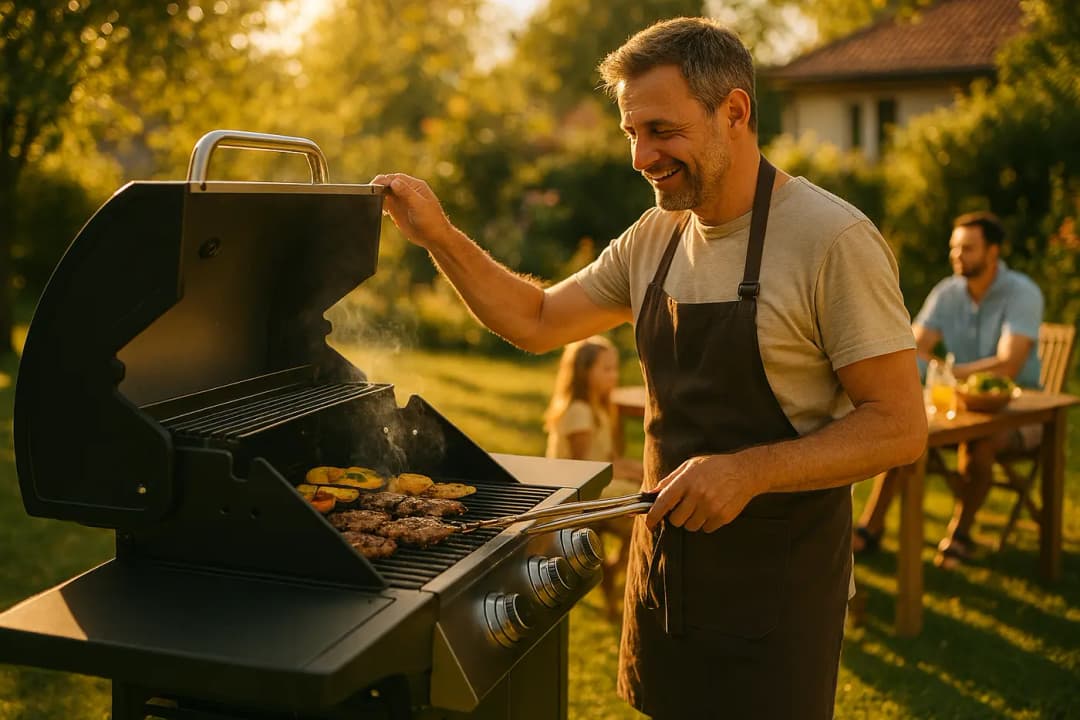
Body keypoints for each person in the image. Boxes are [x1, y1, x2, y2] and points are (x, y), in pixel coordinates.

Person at [373, 17, 926, 720]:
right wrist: (441, 238)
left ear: (734, 111)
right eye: (631, 132)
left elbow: (899, 428)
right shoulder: (655, 236)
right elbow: (538, 321)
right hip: (664, 570)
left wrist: (749, 471)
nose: (641, 156)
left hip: (777, 590)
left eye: (660, 131)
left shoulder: (831, 240)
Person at [853, 211, 1043, 568]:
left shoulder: (1022, 293)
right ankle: (870, 528)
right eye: (955, 248)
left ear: (993, 252)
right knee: (901, 430)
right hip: (960, 407)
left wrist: (945, 370)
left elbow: (1009, 365)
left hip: (1021, 410)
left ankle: (961, 533)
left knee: (980, 443)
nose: (958, 255)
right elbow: (909, 348)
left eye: (968, 248)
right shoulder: (947, 292)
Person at [544, 335, 643, 618]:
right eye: (606, 369)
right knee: (644, 518)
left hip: (597, 481)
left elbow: (608, 460)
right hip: (579, 491)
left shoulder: (599, 408)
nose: (614, 376)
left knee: (647, 485)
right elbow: (583, 469)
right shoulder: (579, 412)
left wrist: (637, 469)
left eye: (615, 369)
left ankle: (614, 570)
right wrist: (629, 471)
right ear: (584, 372)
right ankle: (614, 573)